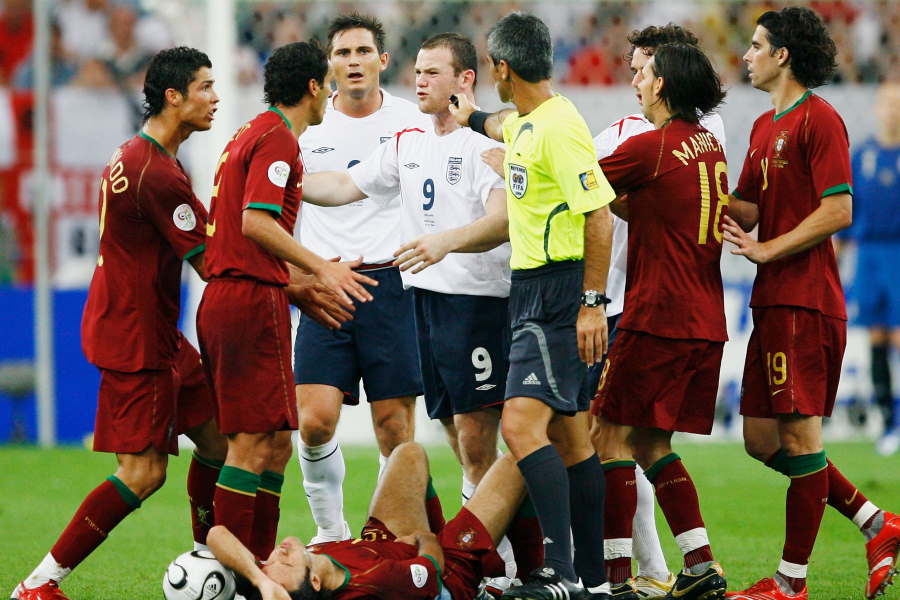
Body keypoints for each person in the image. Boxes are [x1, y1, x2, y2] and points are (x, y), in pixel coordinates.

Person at [300, 34, 516, 590]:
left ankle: (499, 565)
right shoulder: (408, 139)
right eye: (418, 72)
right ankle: (472, 557)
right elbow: (347, 184)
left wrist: (444, 243)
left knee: (477, 438)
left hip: (476, 302)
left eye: (433, 73)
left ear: (465, 81)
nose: (420, 81)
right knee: (450, 430)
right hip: (424, 301)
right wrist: (281, 179)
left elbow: (502, 220)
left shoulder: (484, 143)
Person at [11, 47, 228, 600]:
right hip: (138, 338)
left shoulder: (136, 154)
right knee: (143, 473)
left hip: (151, 328)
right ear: (174, 97)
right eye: (204, 87)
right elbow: (211, 263)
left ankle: (210, 557)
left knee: (217, 441)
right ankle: (39, 584)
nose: (215, 98)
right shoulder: (158, 172)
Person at [722, 7, 900, 600]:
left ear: (783, 56)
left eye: (755, 45)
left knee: (799, 440)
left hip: (806, 300)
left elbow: (838, 209)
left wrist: (770, 248)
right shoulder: (762, 127)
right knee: (761, 440)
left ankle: (790, 584)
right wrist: (686, 184)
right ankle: (878, 524)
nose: (745, 55)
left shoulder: (819, 119)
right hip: (773, 303)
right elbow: (745, 206)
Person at [450, 12, 614, 600]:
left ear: (503, 67)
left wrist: (591, 303)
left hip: (557, 291)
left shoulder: (557, 128)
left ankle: (561, 574)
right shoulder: (525, 120)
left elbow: (599, 214)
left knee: (521, 426)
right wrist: (462, 110)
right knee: (571, 439)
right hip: (535, 290)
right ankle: (593, 581)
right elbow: (497, 124)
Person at [196, 41, 377, 562]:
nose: (334, 92)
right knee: (252, 444)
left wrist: (297, 290)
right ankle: (233, 571)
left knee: (275, 443)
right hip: (247, 300)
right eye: (329, 81)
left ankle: (261, 565)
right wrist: (323, 269)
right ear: (315, 88)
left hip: (250, 295)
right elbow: (255, 223)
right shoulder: (278, 139)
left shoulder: (250, 134)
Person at [592, 25, 726, 600]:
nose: (636, 81)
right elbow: (652, 207)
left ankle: (618, 581)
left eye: (643, 72)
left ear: (663, 82)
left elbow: (581, 191)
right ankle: (700, 564)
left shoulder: (650, 145)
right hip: (706, 317)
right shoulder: (708, 144)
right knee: (651, 443)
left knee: (605, 435)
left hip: (656, 313)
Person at [293, 13, 429, 545]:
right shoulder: (308, 125)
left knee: (394, 427)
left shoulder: (410, 119)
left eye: (363, 52)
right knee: (315, 419)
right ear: (329, 64)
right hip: (326, 281)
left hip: (391, 282)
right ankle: (330, 531)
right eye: (343, 53)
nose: (353, 61)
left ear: (383, 61)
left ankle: (385, 535)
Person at [207, 441, 544, 600]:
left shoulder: (277, 581)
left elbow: (217, 534)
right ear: (314, 583)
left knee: (407, 454)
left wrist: (261, 578)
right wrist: (424, 538)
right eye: (286, 562)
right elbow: (431, 566)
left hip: (380, 543)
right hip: (447, 571)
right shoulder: (376, 583)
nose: (277, 553)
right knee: (520, 458)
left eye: (267, 564)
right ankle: (535, 580)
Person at [838, 82, 900, 456]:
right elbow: (846, 212)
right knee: (876, 337)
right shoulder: (861, 156)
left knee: (897, 337)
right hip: (868, 255)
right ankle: (887, 423)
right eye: (888, 103)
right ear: (878, 108)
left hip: (898, 251)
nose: (892, 109)